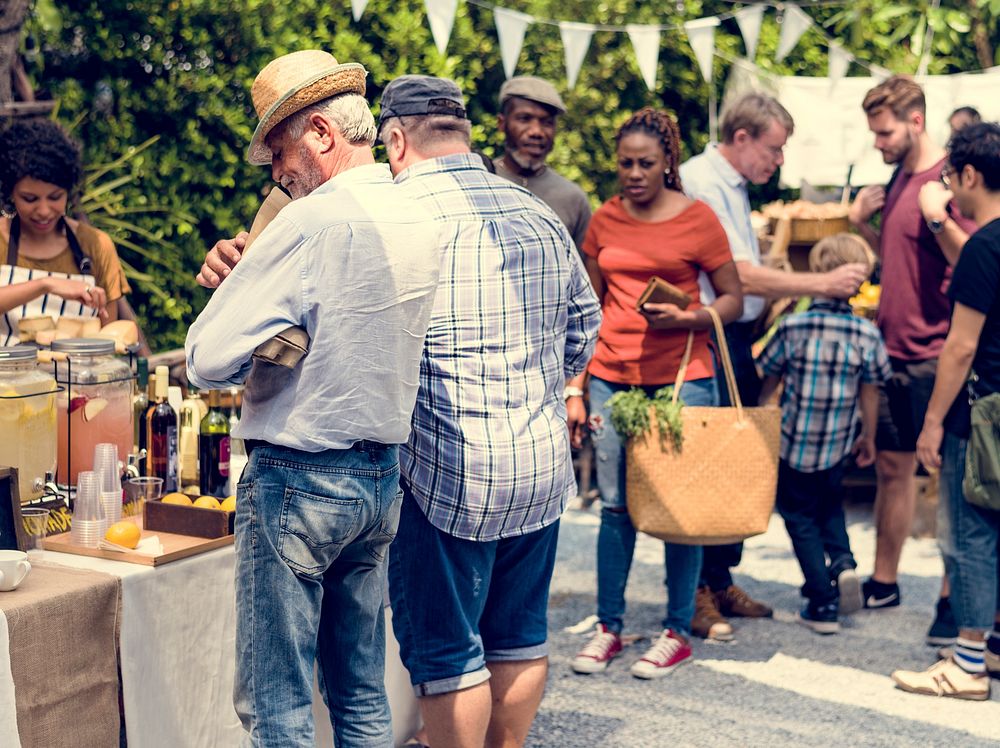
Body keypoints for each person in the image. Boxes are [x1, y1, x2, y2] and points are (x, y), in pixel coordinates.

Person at [187, 50, 441, 746]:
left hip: (300, 478)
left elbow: (206, 358)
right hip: (379, 474)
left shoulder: (308, 222)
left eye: (279, 149)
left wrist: (237, 285)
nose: (275, 172)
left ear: (323, 135)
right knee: (360, 697)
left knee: (279, 707)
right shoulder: (417, 211)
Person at [377, 75, 601, 748]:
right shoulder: (537, 211)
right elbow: (583, 332)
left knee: (448, 654)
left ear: (394, 139)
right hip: (537, 459)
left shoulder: (392, 216)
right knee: (521, 634)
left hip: (444, 468)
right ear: (466, 132)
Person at [680, 92, 868, 639]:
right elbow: (738, 274)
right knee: (711, 462)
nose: (779, 161)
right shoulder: (703, 181)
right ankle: (696, 590)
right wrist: (818, 283)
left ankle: (718, 579)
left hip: (737, 336)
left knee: (734, 458)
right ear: (742, 139)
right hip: (712, 337)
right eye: (775, 148)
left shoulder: (732, 185)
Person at [567, 107, 742, 675]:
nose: (634, 173)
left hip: (682, 382)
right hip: (612, 380)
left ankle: (674, 630)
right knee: (615, 507)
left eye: (646, 163)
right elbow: (589, 309)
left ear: (668, 162)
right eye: (625, 164)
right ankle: (609, 627)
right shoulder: (606, 220)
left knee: (676, 509)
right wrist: (577, 384)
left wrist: (690, 317)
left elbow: (733, 301)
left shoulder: (699, 219)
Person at [848, 77, 976, 645]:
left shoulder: (950, 182)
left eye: (884, 131)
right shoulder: (898, 178)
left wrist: (934, 216)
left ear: (915, 121)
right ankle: (884, 579)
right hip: (892, 351)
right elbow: (898, 262)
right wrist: (861, 227)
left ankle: (955, 601)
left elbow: (974, 261)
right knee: (891, 469)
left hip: (935, 354)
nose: (877, 142)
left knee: (950, 481)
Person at [894, 121, 1000, 700]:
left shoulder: (985, 245)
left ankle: (966, 667)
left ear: (970, 175)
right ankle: (991, 649)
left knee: (968, 535)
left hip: (982, 414)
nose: (949, 189)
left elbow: (958, 348)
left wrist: (932, 424)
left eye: (951, 177)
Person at [757, 233, 890, 634]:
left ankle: (822, 602)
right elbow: (871, 391)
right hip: (838, 443)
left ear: (816, 272)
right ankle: (844, 563)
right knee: (831, 507)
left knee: (799, 516)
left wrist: (761, 418)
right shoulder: (866, 334)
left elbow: (769, 378)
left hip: (794, 441)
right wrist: (867, 435)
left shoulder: (793, 326)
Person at [0, 118, 129, 344]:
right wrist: (46, 285)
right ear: (10, 192)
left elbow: (111, 341)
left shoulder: (96, 245)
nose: (43, 210)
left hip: (78, 377)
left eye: (55, 197)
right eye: (30, 199)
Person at [494, 75, 591, 249]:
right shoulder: (481, 179)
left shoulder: (573, 199)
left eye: (546, 122)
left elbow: (582, 273)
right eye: (524, 119)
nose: (536, 132)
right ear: (502, 123)